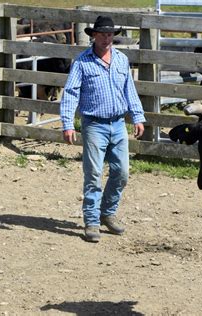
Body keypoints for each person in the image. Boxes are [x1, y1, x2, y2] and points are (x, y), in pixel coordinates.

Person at [60, 16, 145, 243]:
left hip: (118, 123)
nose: (107, 38)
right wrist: (67, 124)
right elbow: (70, 93)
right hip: (94, 124)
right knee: (94, 174)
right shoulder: (82, 62)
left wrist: (137, 117)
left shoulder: (121, 60)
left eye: (110, 34)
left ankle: (107, 212)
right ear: (94, 36)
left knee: (122, 173)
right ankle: (92, 221)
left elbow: (130, 90)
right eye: (103, 34)